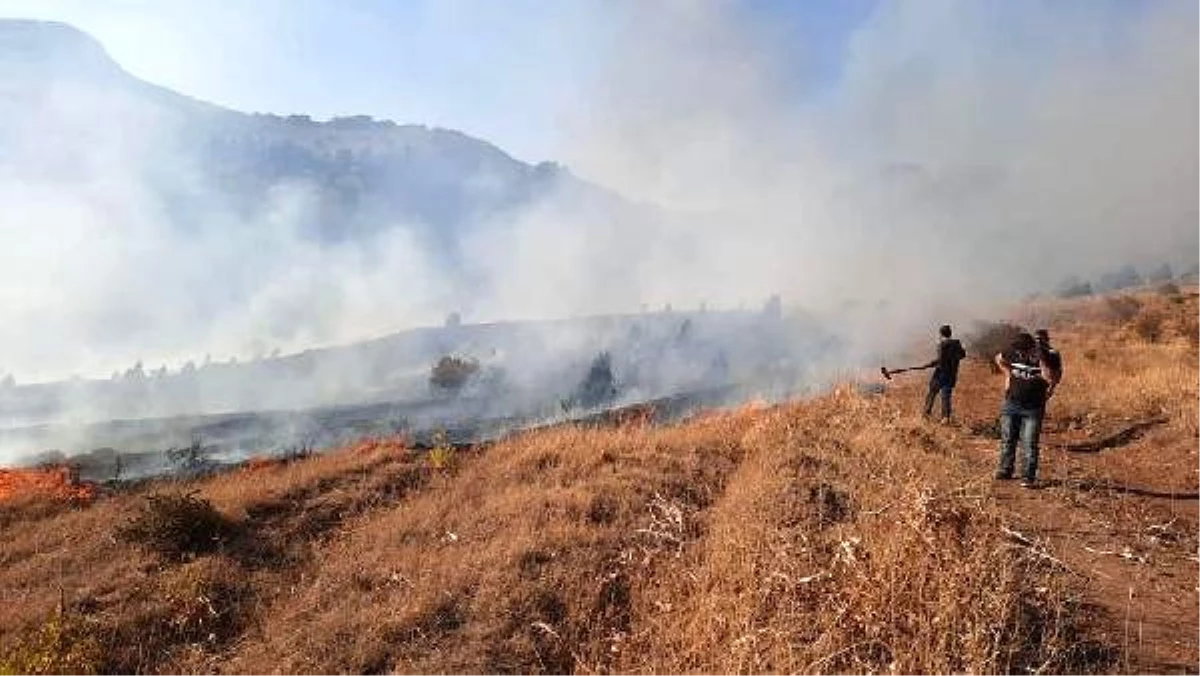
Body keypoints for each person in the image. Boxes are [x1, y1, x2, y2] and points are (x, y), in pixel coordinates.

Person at [994, 331, 1061, 488]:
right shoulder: (1012, 350)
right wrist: (1008, 374)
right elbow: (999, 359)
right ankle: (1005, 469)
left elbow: (1051, 378)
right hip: (1012, 403)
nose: (1019, 353)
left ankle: (1028, 476)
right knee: (1008, 439)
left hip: (1033, 407)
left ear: (1031, 348)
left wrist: (1041, 359)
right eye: (1017, 351)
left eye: (1022, 350)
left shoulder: (1047, 355)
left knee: (1029, 442)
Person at [923, 324, 967, 422]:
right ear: (950, 333)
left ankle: (926, 414)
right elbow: (963, 355)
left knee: (932, 393)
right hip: (952, 374)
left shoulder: (941, 345)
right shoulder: (957, 343)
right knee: (946, 395)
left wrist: (929, 364)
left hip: (940, 374)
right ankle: (945, 417)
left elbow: (940, 360)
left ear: (941, 334)